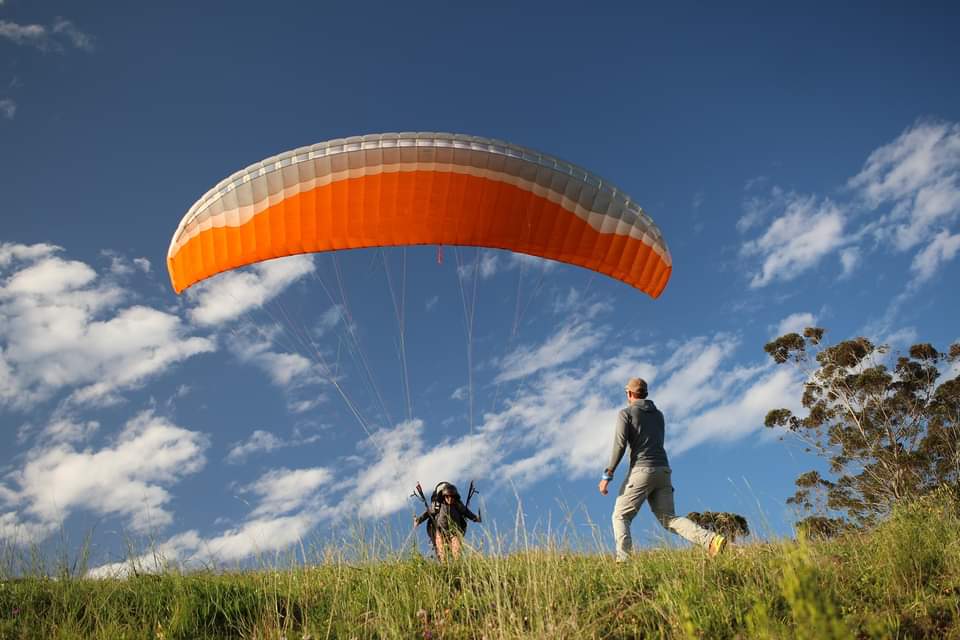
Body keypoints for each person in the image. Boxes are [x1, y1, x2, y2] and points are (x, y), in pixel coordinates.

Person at [598, 378, 727, 562]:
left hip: (642, 471)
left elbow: (620, 445)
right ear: (646, 394)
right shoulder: (659, 415)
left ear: (629, 394)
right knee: (669, 519)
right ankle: (711, 540)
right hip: (663, 471)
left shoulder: (625, 413)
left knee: (620, 515)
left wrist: (607, 475)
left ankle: (623, 561)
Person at [414, 482, 481, 561]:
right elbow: (427, 513)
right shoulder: (437, 505)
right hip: (439, 530)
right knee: (441, 550)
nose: (450, 499)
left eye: (452, 497)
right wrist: (418, 520)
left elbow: (466, 512)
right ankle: (444, 566)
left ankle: (457, 566)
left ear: (455, 497)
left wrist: (475, 518)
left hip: (454, 531)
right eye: (447, 497)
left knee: (456, 549)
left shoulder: (458, 505)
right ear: (444, 496)